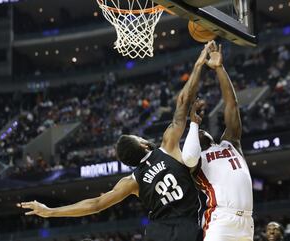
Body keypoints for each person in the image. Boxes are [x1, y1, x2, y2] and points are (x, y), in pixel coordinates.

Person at [17, 41, 215, 241]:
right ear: (144, 144)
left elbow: (96, 204)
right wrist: (199, 63)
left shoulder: (131, 181)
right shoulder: (167, 146)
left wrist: (49, 211)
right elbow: (182, 102)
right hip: (188, 227)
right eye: (140, 137)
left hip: (157, 233)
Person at [182, 43, 254, 241]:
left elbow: (232, 104)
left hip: (247, 221)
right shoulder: (195, 161)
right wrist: (193, 124)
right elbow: (188, 156)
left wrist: (219, 69)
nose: (200, 131)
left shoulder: (230, 143)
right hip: (220, 219)